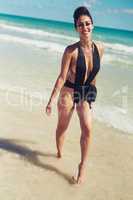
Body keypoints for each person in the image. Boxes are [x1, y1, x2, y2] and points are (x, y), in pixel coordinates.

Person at [45, 6, 104, 184]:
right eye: (80, 25)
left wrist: (92, 94)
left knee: (87, 128)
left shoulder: (100, 48)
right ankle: (59, 154)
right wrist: (51, 100)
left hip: (85, 92)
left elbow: (93, 73)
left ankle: (82, 166)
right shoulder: (70, 51)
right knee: (62, 127)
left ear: (92, 25)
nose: (84, 27)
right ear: (76, 28)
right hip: (68, 92)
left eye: (87, 24)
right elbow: (62, 76)